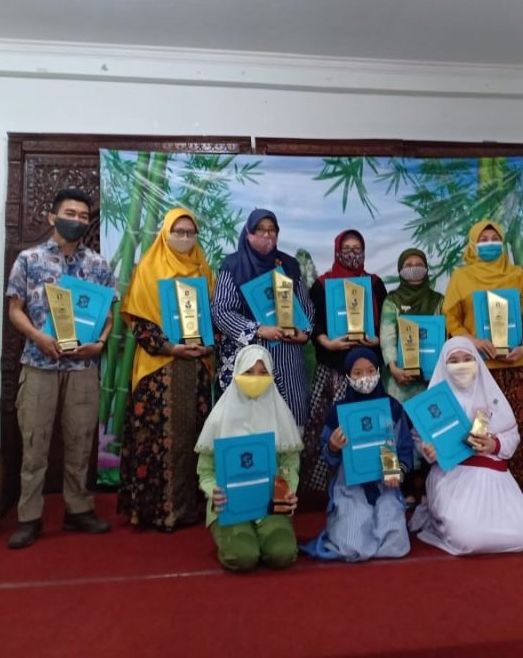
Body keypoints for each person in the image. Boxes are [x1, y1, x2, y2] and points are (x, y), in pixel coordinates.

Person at [5, 188, 115, 549]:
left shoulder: (98, 265)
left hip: (83, 366)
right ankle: (29, 517)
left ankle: (78, 509)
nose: (77, 221)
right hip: (40, 363)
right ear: (53, 217)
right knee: (34, 443)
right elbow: (15, 310)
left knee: (81, 441)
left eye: (83, 216)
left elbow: (108, 316)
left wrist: (101, 342)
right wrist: (38, 337)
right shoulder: (29, 259)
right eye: (70, 214)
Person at [118, 207, 215, 532]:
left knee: (192, 438)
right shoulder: (149, 267)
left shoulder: (202, 268)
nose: (184, 238)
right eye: (178, 232)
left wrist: (207, 345)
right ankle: (155, 511)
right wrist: (170, 347)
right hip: (158, 371)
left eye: (190, 233)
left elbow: (215, 317)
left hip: (195, 370)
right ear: (165, 233)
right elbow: (139, 322)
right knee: (156, 440)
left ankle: (187, 508)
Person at [408, 337, 523, 555]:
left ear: (477, 361)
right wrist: (427, 451)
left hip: (493, 475)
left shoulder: (491, 395)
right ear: (443, 365)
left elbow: (511, 436)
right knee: (468, 540)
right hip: (452, 476)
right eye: (454, 361)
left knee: (522, 537)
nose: (461, 365)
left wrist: (494, 444)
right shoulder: (432, 402)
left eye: (467, 359)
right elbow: (419, 439)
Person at [443, 219, 523, 495]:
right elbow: (451, 318)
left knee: (516, 426)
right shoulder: (461, 277)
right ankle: (481, 492)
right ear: (473, 245)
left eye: (494, 238)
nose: (490, 244)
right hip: (477, 369)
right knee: (479, 426)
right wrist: (473, 342)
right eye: (483, 239)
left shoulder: (516, 275)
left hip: (515, 365)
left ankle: (519, 492)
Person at [194, 345, 302, 573]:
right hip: (230, 505)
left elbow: (289, 464)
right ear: (236, 373)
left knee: (282, 553)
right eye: (249, 372)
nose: (256, 378)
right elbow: (206, 471)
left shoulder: (281, 414)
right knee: (244, 557)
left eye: (263, 373)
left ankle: (266, 532)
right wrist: (213, 491)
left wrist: (287, 491)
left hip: (270, 503)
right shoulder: (218, 419)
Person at [302, 348, 413, 561]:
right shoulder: (339, 412)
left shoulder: (392, 408)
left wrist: (398, 471)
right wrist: (333, 447)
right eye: (358, 373)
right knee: (351, 547)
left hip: (385, 485)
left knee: (395, 545)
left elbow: (405, 448)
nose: (365, 378)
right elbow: (327, 456)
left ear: (378, 372)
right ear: (348, 376)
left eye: (371, 371)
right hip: (350, 486)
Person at [301, 230, 388, 496]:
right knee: (324, 426)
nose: (352, 254)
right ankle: (318, 488)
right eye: (346, 249)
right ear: (337, 251)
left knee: (364, 426)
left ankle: (363, 480)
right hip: (332, 368)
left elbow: (387, 324)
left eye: (357, 249)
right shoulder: (323, 285)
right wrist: (326, 342)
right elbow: (312, 323)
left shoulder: (374, 284)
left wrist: (376, 340)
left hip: (364, 371)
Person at [210, 209, 313, 425]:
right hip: (249, 355)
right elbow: (221, 311)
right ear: (249, 232)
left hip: (287, 355)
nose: (267, 235)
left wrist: (303, 333)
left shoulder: (289, 265)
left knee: (290, 423)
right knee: (248, 425)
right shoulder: (233, 265)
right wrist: (258, 329)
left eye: (272, 230)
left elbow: (306, 308)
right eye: (260, 229)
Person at [379, 248, 445, 403]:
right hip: (400, 378)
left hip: (433, 376)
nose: (414, 269)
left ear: (426, 268)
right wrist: (393, 368)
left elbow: (444, 335)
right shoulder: (392, 300)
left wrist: (439, 369)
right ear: (400, 270)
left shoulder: (438, 300)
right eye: (408, 265)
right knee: (400, 416)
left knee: (431, 413)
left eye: (419, 265)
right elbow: (387, 337)